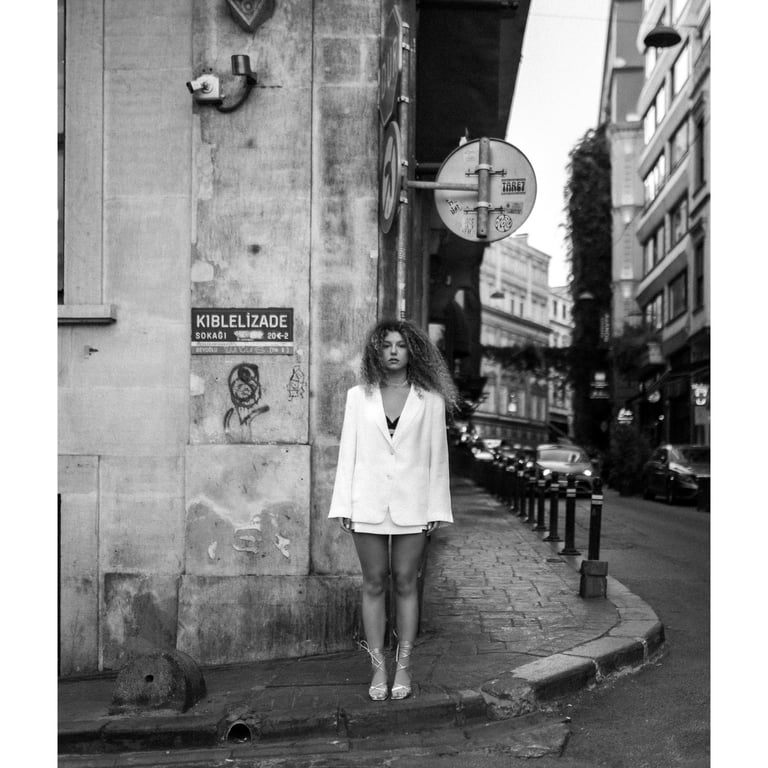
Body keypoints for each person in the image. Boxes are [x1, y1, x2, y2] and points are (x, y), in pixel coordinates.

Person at [328, 319, 460, 701]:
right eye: (386, 345)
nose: (393, 351)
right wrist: (343, 504)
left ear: (412, 351)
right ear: (376, 351)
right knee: (373, 582)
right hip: (366, 502)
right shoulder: (358, 396)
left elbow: (438, 459)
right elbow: (348, 453)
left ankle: (403, 665)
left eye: (400, 345)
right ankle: (378, 667)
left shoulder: (430, 400)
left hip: (413, 504)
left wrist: (437, 507)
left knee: (405, 581)